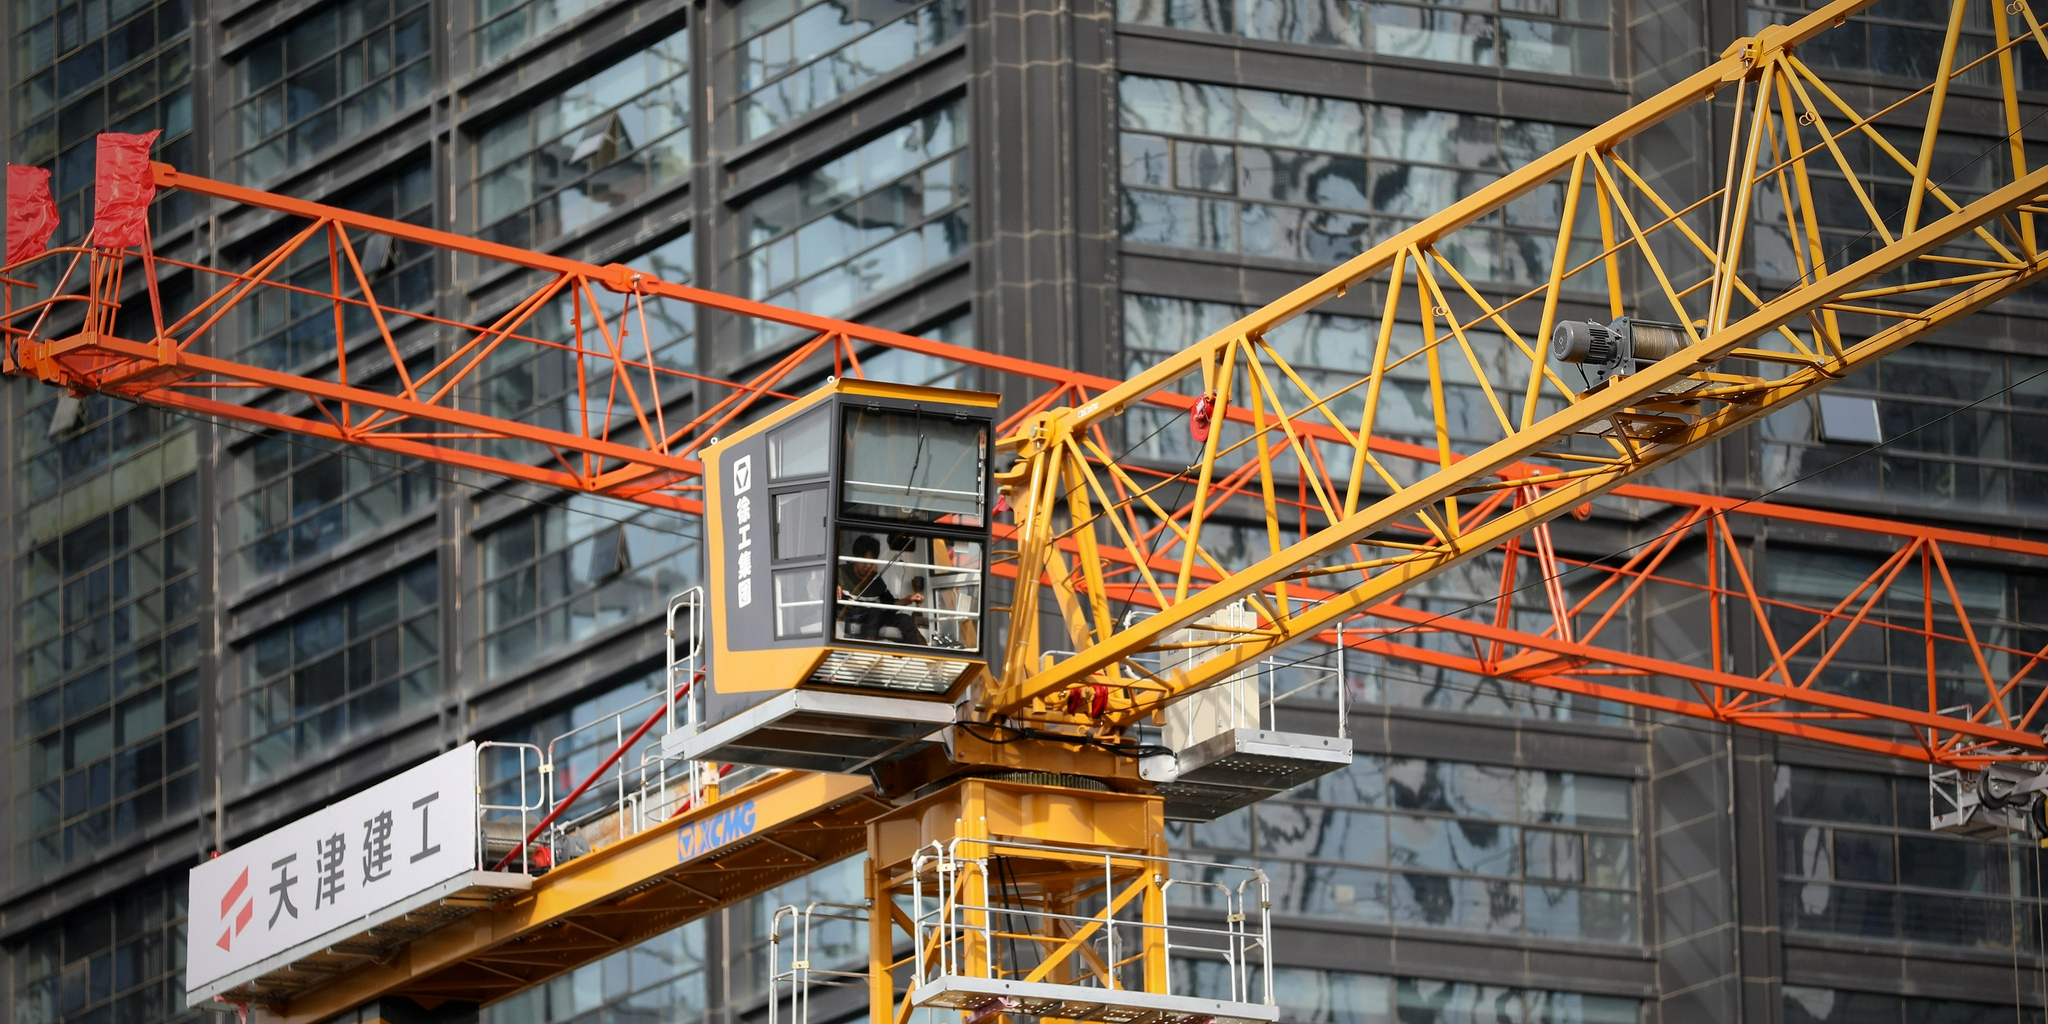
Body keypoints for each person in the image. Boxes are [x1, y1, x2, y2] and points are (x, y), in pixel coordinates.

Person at [837, 534, 923, 643]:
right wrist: (834, 588)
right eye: (865, 561)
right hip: (852, 617)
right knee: (875, 611)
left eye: (872, 562)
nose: (868, 566)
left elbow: (890, 603)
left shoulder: (876, 580)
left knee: (905, 619)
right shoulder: (840, 573)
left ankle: (920, 652)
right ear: (854, 557)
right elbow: (823, 592)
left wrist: (908, 600)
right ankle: (870, 645)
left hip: (875, 619)